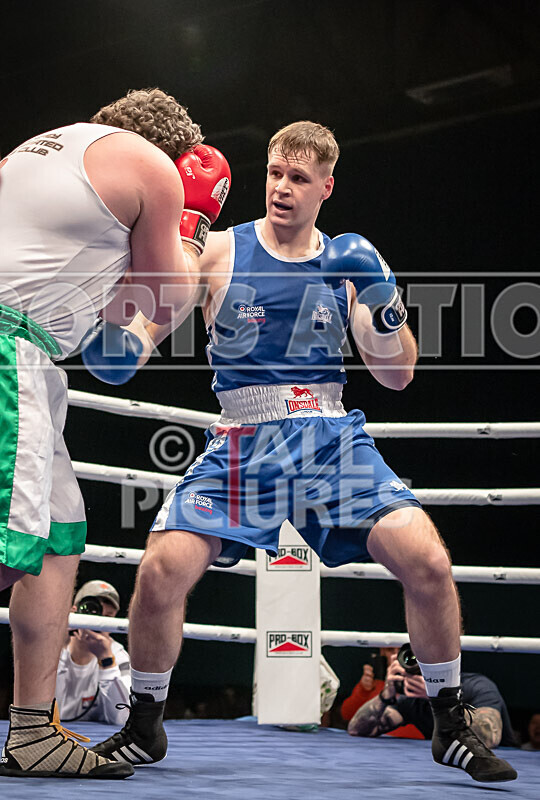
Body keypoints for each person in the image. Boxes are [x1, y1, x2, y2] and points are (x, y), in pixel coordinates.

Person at [90, 120, 516, 783]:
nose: (281, 188)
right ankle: (144, 723)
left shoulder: (347, 261)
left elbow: (397, 373)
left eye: (297, 178)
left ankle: (451, 722)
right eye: (273, 173)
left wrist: (384, 298)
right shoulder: (221, 250)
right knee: (160, 571)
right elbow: (156, 313)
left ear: (325, 186)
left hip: (327, 437)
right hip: (240, 439)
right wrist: (131, 340)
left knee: (428, 562)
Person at [0, 87, 230, 779]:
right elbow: (162, 295)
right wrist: (190, 221)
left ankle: (34, 732)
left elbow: (105, 312)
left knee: (59, 537)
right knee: (13, 549)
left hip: (30, 353)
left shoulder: (35, 152)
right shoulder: (156, 168)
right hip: (10, 350)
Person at [347, 651, 517, 749]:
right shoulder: (414, 699)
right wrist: (386, 694)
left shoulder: (478, 686)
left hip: (499, 767)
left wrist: (440, 698)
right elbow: (357, 729)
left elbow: (489, 738)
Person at [56, 580, 131, 725]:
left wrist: (106, 661)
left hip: (97, 740)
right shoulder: (51, 648)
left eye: (107, 616)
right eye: (93, 612)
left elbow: (123, 719)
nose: (98, 622)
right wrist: (59, 650)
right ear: (74, 612)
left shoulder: (119, 655)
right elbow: (47, 715)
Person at [341, 648, 424, 739]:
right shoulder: (411, 699)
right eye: (391, 650)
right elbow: (355, 729)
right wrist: (385, 695)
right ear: (383, 653)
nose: (396, 655)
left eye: (401, 650)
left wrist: (434, 694)